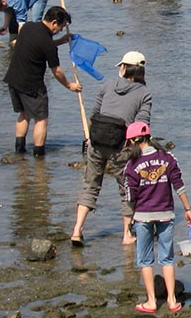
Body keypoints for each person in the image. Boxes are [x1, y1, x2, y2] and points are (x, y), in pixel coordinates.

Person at [71, 51, 153, 246]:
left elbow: (93, 116)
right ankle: (126, 234)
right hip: (121, 146)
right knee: (127, 189)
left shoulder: (106, 86)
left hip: (97, 142)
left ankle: (76, 230)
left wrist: (90, 138)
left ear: (124, 68)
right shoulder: (144, 94)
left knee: (90, 185)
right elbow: (142, 124)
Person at [124, 120, 191, 314]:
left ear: (133, 142)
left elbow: (131, 197)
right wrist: (187, 209)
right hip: (166, 214)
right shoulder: (168, 158)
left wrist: (129, 221)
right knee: (167, 258)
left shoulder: (132, 165)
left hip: (143, 216)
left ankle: (151, 301)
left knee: (145, 260)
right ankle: (172, 300)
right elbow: (179, 185)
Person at [2, 6, 80, 157]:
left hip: (13, 79)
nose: (61, 30)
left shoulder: (28, 27)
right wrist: (70, 85)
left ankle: (19, 150)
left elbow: (36, 45)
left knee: (23, 114)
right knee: (41, 118)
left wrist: (61, 41)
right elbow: (56, 70)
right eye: (62, 27)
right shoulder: (47, 43)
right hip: (32, 85)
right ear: (54, 22)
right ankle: (39, 155)